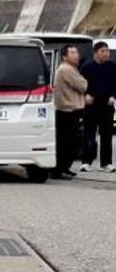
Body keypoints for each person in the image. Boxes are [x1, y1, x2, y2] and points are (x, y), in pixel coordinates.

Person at [80, 40, 116, 173]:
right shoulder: (87, 67)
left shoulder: (113, 67)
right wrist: (86, 94)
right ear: (95, 53)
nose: (106, 54)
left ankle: (106, 163)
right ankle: (86, 161)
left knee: (106, 134)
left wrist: (113, 95)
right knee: (89, 134)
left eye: (107, 51)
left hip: (107, 103)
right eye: (103, 51)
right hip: (91, 104)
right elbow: (80, 84)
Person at [53, 45, 88, 179]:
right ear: (64, 56)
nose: (76, 55)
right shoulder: (66, 69)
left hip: (69, 110)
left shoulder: (69, 69)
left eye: (76, 52)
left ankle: (64, 167)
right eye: (72, 53)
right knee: (67, 142)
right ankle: (59, 169)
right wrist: (84, 81)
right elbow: (83, 85)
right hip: (68, 111)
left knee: (70, 142)